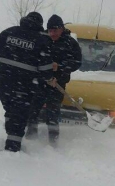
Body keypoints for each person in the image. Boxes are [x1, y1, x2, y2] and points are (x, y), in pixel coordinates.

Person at [0, 12, 55, 152]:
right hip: (25, 85)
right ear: (40, 25)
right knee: (19, 115)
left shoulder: (9, 32)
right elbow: (45, 69)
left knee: (10, 109)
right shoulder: (41, 40)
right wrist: (49, 78)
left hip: (3, 82)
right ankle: (12, 150)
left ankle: (10, 136)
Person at [26, 14, 82, 145]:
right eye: (50, 30)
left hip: (57, 84)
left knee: (52, 114)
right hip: (39, 83)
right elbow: (32, 58)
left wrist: (60, 67)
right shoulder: (41, 39)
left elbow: (77, 62)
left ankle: (53, 142)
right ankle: (31, 139)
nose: (52, 33)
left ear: (62, 29)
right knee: (33, 111)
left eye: (55, 30)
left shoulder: (70, 43)